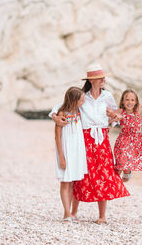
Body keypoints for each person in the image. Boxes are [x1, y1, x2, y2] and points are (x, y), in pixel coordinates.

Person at [50, 64, 130, 224]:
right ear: (92, 80)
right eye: (101, 78)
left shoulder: (107, 96)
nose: (103, 80)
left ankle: (102, 215)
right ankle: (72, 212)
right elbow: (61, 106)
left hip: (102, 138)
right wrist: (54, 116)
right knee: (80, 176)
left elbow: (114, 115)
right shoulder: (81, 95)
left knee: (104, 175)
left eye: (103, 78)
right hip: (83, 139)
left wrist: (113, 120)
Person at [54, 86, 88, 223]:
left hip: (77, 151)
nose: (83, 102)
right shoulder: (62, 113)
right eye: (81, 100)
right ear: (74, 100)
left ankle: (71, 213)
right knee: (65, 182)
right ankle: (66, 213)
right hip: (66, 152)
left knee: (73, 182)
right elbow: (57, 136)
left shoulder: (79, 112)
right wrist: (61, 157)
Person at [113, 89, 142, 181]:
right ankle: (115, 183)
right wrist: (113, 119)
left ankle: (126, 174)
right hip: (124, 141)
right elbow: (108, 116)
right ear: (122, 101)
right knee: (121, 162)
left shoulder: (138, 109)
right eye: (127, 100)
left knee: (126, 171)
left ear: (136, 101)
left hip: (136, 143)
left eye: (132, 100)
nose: (130, 102)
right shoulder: (120, 111)